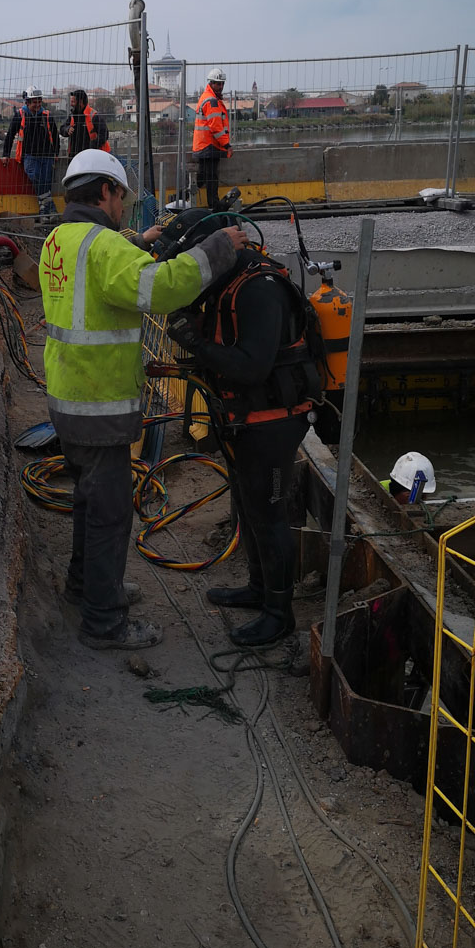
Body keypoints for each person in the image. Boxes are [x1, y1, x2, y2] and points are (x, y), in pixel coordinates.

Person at [42, 149, 248, 650]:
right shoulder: (106, 248)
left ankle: (85, 585)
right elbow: (163, 287)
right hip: (100, 405)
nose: (122, 208)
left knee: (90, 500)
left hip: (67, 400)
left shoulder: (59, 238)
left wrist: (140, 241)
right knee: (112, 512)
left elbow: (101, 267)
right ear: (107, 192)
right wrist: (219, 247)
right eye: (121, 198)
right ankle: (104, 621)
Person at [162, 211, 322, 648]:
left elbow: (253, 367)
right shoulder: (227, 284)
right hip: (244, 418)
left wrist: (193, 341)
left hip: (272, 422)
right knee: (248, 504)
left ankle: (279, 613)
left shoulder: (258, 289)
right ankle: (258, 588)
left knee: (268, 513)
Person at [4, 86, 60, 218]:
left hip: (47, 155)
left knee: (45, 182)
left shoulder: (46, 116)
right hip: (29, 155)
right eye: (34, 102)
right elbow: (10, 135)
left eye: (39, 101)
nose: (37, 105)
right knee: (35, 177)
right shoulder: (20, 115)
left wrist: (56, 153)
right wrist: (5, 154)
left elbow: (55, 136)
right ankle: (50, 207)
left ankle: (44, 210)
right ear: (27, 102)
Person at [193, 67, 231, 211]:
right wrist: (227, 145)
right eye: (218, 83)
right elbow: (216, 127)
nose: (220, 87)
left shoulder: (208, 98)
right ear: (211, 83)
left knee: (203, 178)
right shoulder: (212, 101)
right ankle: (214, 209)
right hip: (209, 146)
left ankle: (183, 198)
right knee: (211, 179)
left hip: (204, 145)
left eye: (222, 83)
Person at [60, 88, 110, 157]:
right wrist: (67, 129)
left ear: (80, 102)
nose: (71, 104)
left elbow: (104, 134)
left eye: (73, 102)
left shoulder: (94, 116)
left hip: (93, 156)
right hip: (75, 156)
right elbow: (62, 129)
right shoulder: (72, 116)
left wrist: (92, 146)